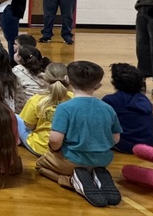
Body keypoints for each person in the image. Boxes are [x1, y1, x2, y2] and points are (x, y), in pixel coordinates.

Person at [34, 61, 122, 207]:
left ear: (67, 80)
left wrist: (54, 151)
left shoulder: (65, 108)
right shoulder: (108, 108)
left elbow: (55, 140)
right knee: (89, 164)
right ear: (98, 86)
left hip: (72, 161)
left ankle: (72, 181)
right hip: (102, 160)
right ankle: (94, 176)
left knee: (40, 166)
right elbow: (116, 138)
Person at [16, 62, 71, 156]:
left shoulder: (37, 99)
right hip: (65, 148)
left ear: (45, 79)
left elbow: (28, 125)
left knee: (15, 117)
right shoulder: (73, 98)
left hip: (40, 147)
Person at [103, 63, 153, 153]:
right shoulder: (144, 99)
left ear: (114, 82)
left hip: (125, 145)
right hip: (148, 144)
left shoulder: (111, 100)